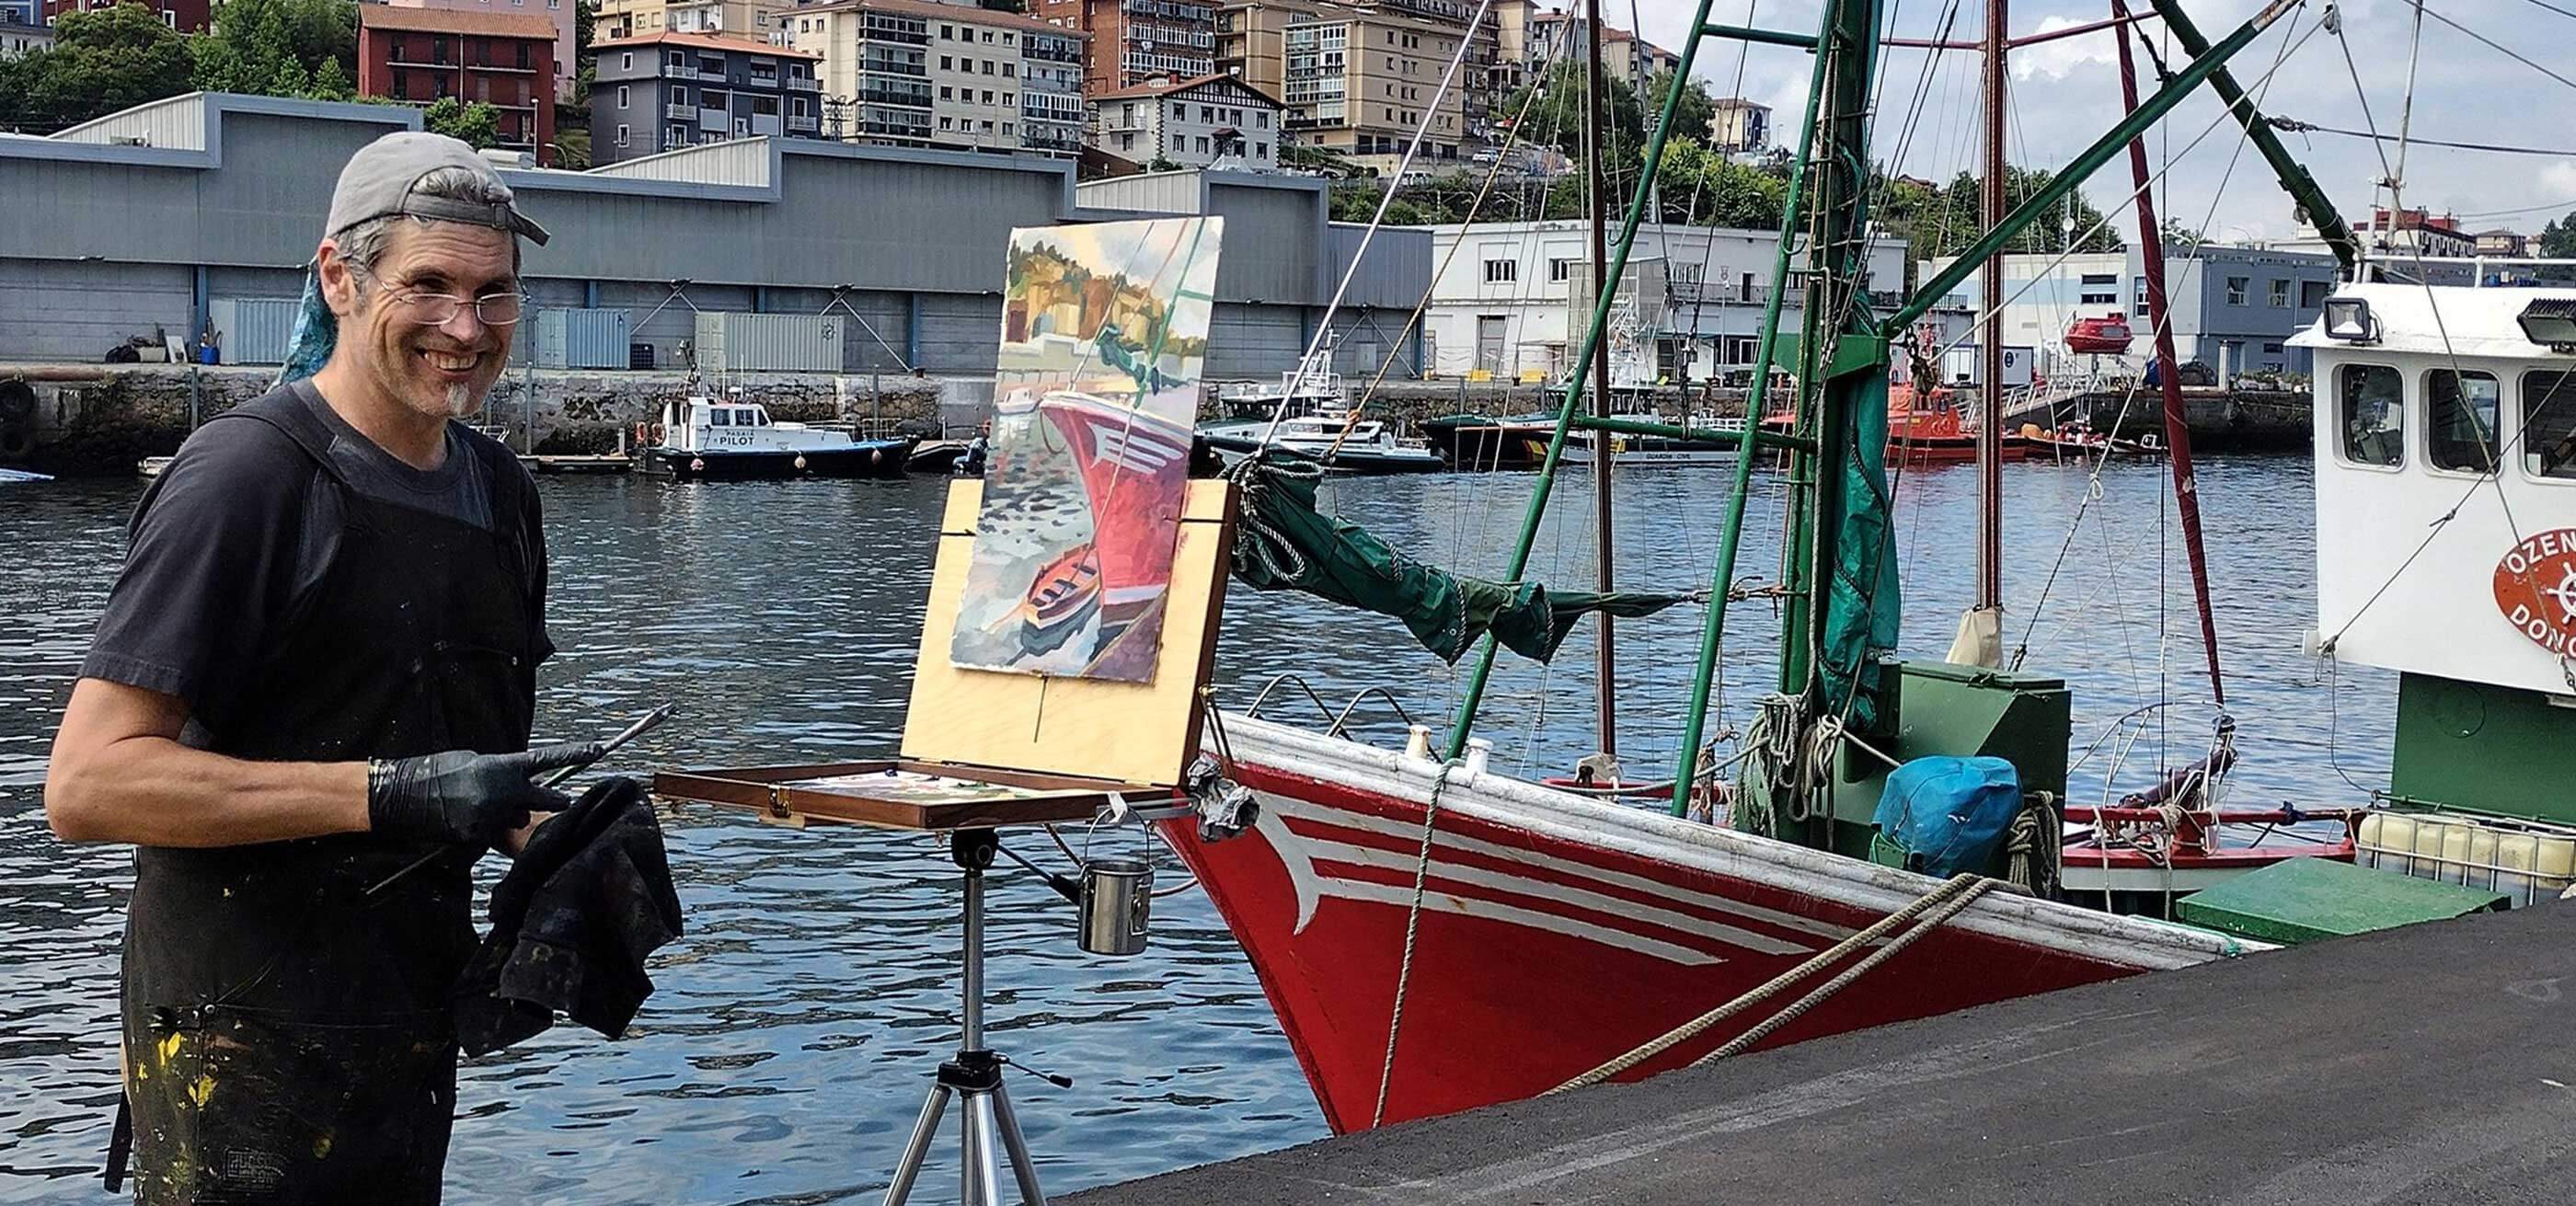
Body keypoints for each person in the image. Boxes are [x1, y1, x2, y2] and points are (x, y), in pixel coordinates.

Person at [45, 132, 596, 1205]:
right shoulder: (247, 478)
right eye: (428, 286)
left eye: (495, 295)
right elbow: (89, 784)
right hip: (231, 1039)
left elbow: (446, 757)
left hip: (404, 1019)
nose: (464, 328)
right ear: (339, 279)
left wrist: (555, 839)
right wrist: (389, 795)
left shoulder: (498, 492)